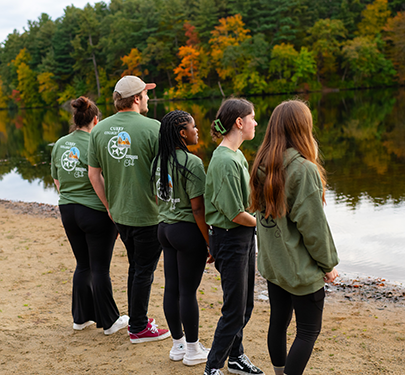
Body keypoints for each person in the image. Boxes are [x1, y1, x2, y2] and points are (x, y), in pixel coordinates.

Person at [249, 100, 339, 375]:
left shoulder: (262, 163)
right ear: (303, 128)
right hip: (300, 270)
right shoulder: (303, 170)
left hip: (275, 266)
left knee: (279, 321)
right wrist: (328, 264)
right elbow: (313, 227)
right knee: (309, 330)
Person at [88, 76, 170, 343]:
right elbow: (165, 175)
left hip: (119, 215)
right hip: (147, 215)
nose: (147, 98)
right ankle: (138, 327)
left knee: (136, 266)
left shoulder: (99, 130)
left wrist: (108, 205)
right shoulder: (154, 128)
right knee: (143, 270)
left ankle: (138, 318)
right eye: (145, 94)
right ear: (136, 98)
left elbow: (93, 174)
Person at [51, 96, 128, 335]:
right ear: (96, 119)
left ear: (75, 119)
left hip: (68, 210)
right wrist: (111, 210)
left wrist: (71, 198)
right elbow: (103, 179)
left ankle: (80, 318)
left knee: (83, 264)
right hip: (93, 211)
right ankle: (110, 321)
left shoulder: (60, 144)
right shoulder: (97, 142)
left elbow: (57, 180)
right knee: (100, 268)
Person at [203, 98, 264, 375]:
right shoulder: (225, 160)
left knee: (245, 304)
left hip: (240, 237)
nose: (255, 123)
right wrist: (267, 225)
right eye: (252, 118)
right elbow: (235, 213)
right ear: (239, 122)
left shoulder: (236, 154)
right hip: (230, 238)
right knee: (234, 309)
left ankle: (236, 356)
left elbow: (245, 204)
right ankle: (212, 367)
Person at [151, 110, 212, 365]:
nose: (197, 131)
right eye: (193, 127)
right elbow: (198, 208)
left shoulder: (157, 161)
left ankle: (177, 345)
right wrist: (210, 241)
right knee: (187, 292)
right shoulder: (192, 162)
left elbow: (158, 198)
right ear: (182, 133)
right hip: (186, 231)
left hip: (164, 229)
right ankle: (193, 350)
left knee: (172, 288)